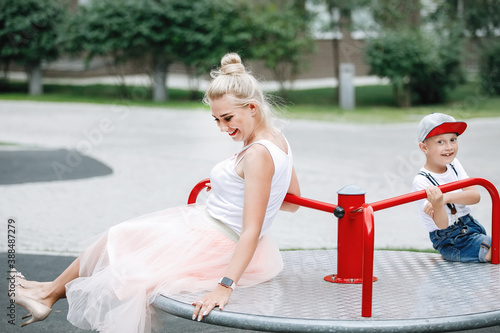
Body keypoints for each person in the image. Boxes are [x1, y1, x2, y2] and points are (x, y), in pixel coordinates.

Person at [10, 52, 301, 333]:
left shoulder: (256, 154)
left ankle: (47, 294)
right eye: (216, 120)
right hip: (214, 227)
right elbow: (290, 201)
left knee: (122, 243)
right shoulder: (278, 138)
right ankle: (46, 292)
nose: (223, 128)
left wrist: (225, 287)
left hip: (219, 240)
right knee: (119, 236)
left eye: (227, 118)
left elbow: (252, 229)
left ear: (251, 107)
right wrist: (232, 187)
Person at [412, 113, 491, 263]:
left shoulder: (454, 165)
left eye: (453, 140)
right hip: (452, 239)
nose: (449, 147)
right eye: (440, 142)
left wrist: (445, 198)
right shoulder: (421, 181)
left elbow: (474, 196)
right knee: (495, 250)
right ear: (424, 147)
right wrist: (438, 204)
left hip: (471, 226)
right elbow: (441, 225)